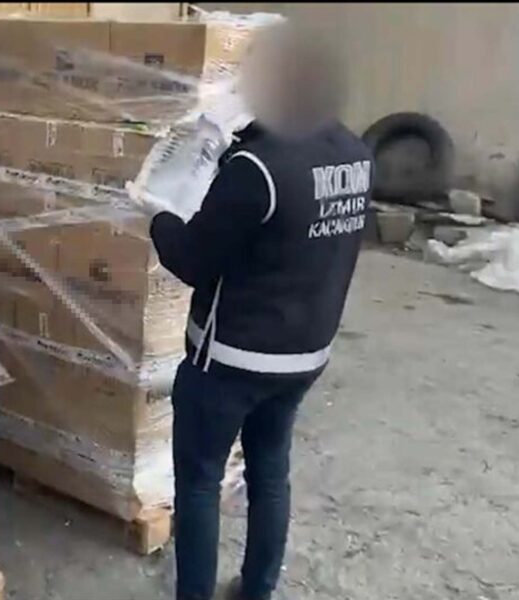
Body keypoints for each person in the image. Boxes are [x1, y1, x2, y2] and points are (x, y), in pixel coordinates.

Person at [149, 20, 373, 600]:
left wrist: (156, 214)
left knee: (199, 482)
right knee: (270, 471)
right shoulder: (354, 151)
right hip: (304, 354)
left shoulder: (257, 168)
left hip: (232, 359)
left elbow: (192, 258)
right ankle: (257, 589)